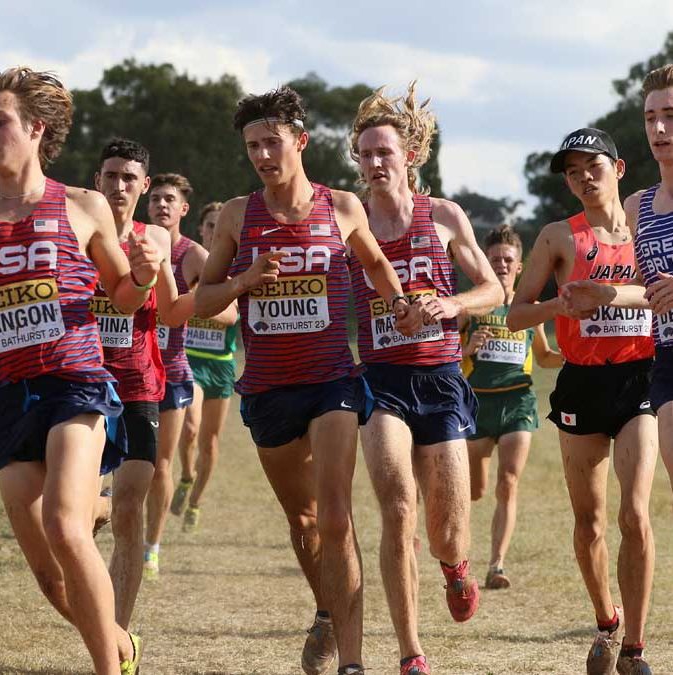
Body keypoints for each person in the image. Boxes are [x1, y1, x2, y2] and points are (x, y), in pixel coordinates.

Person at [194, 86, 419, 675]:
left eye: (273, 142)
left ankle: (352, 663)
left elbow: (373, 262)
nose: (264, 155)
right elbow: (201, 300)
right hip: (267, 388)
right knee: (305, 521)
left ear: (301, 141)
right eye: (252, 146)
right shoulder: (241, 216)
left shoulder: (342, 207)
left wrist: (397, 303)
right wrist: (244, 282)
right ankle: (326, 610)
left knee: (338, 514)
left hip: (332, 382)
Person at [0, 67, 161, 674]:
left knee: (65, 525)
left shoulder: (81, 206)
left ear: (35, 128)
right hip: (2, 397)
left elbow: (124, 293)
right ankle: (121, 644)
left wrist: (143, 273)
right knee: (50, 580)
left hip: (74, 383)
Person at [348, 83, 503, 675]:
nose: (374, 164)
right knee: (397, 508)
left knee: (448, 527)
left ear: (410, 155)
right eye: (364, 155)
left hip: (439, 378)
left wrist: (451, 306)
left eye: (383, 152)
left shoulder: (443, 217)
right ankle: (411, 652)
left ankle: (455, 567)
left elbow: (494, 290)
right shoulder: (350, 220)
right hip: (380, 379)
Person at [508, 127, 657, 675]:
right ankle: (606, 622)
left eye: (592, 166)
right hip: (581, 386)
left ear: (618, 170)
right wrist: (558, 310)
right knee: (589, 521)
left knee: (635, 513)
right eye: (572, 172)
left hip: (640, 381)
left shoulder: (650, 230)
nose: (583, 177)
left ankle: (636, 649)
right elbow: (515, 314)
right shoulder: (557, 237)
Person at [92, 137, 196, 626]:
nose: (119, 185)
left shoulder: (156, 239)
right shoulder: (75, 234)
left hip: (138, 388)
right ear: (97, 181)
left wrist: (238, 287)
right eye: (111, 176)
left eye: (129, 178)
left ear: (145, 185)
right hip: (81, 387)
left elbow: (174, 310)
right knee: (82, 516)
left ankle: (118, 635)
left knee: (129, 510)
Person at [462, 224, 562, 591]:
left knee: (508, 482)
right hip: (476, 404)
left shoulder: (529, 309)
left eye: (508, 259)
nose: (501, 264)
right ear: (484, 263)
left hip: (518, 400)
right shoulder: (470, 306)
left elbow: (545, 357)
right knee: (473, 490)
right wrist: (467, 348)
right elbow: (448, 359)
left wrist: (574, 358)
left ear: (519, 266)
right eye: (494, 259)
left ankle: (496, 565)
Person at [144, 173, 208, 578]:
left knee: (160, 463)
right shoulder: (128, 243)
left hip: (173, 372)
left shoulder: (194, 255)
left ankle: (152, 546)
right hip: (129, 369)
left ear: (183, 209)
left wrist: (188, 304)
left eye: (169, 200)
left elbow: (230, 309)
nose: (161, 206)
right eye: (155, 200)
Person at [171, 201, 238, 532]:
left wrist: (197, 303)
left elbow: (231, 316)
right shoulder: (188, 265)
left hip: (221, 366)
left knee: (210, 443)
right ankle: (185, 474)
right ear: (201, 229)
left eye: (219, 226)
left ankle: (195, 500)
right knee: (190, 427)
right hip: (190, 360)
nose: (214, 231)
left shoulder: (237, 267)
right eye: (209, 225)